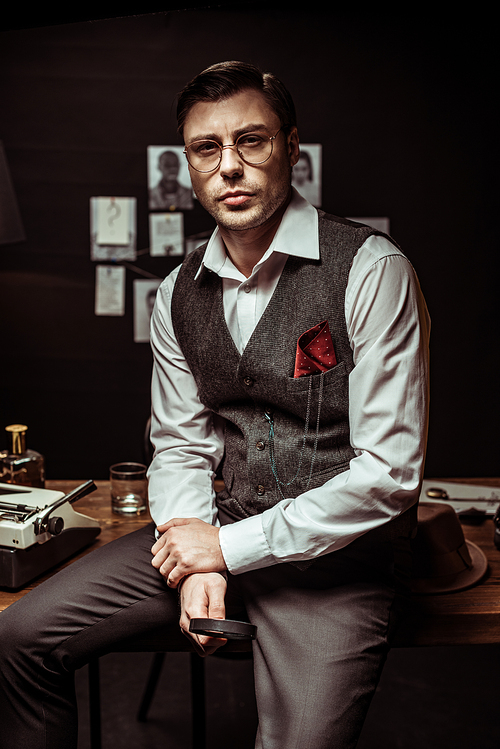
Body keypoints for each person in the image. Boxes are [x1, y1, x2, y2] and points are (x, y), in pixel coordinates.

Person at [0, 61, 430, 749]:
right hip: (214, 524)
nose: (228, 166)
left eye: (250, 141)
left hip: (336, 562)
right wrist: (199, 556)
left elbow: (389, 476)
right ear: (191, 163)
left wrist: (225, 551)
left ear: (291, 148)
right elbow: (180, 444)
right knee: (19, 638)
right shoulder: (175, 292)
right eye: (207, 148)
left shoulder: (374, 270)